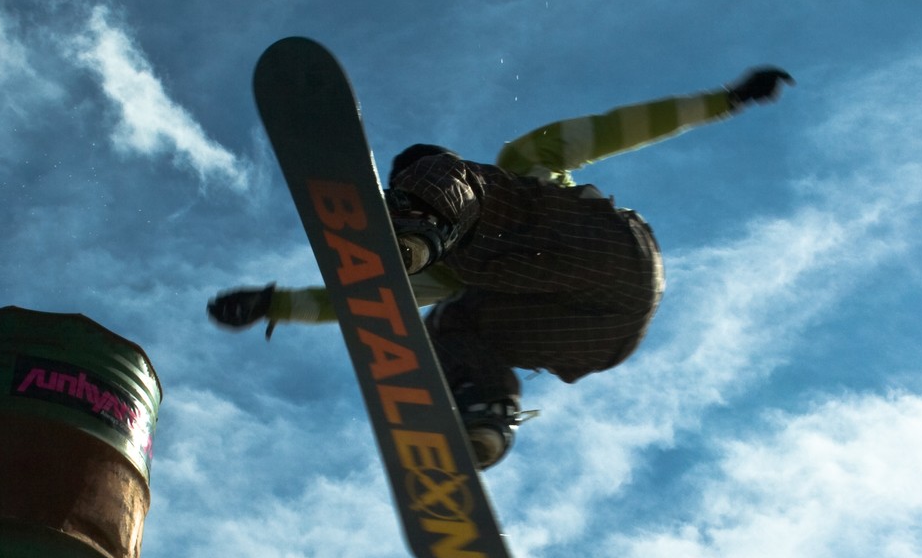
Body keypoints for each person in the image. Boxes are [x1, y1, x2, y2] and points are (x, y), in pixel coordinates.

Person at [209, 66, 793, 469]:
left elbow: (617, 127)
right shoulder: (452, 276)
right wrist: (273, 303)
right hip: (600, 335)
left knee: (454, 190)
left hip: (606, 251)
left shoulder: (526, 165)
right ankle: (486, 416)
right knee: (446, 327)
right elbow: (369, 299)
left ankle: (425, 220)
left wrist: (724, 100)